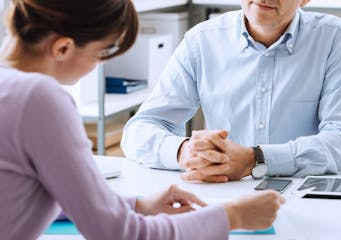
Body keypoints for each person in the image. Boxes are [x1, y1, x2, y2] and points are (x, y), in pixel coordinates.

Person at [0, 0, 285, 239]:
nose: (98, 65)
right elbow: (119, 233)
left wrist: (136, 205)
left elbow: (22, 197)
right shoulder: (39, 98)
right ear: (62, 48)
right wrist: (232, 216)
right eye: (102, 53)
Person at [121, 0, 341, 183]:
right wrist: (183, 151)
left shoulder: (335, 38)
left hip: (305, 195)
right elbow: (140, 129)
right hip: (223, 192)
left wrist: (254, 159)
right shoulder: (201, 40)